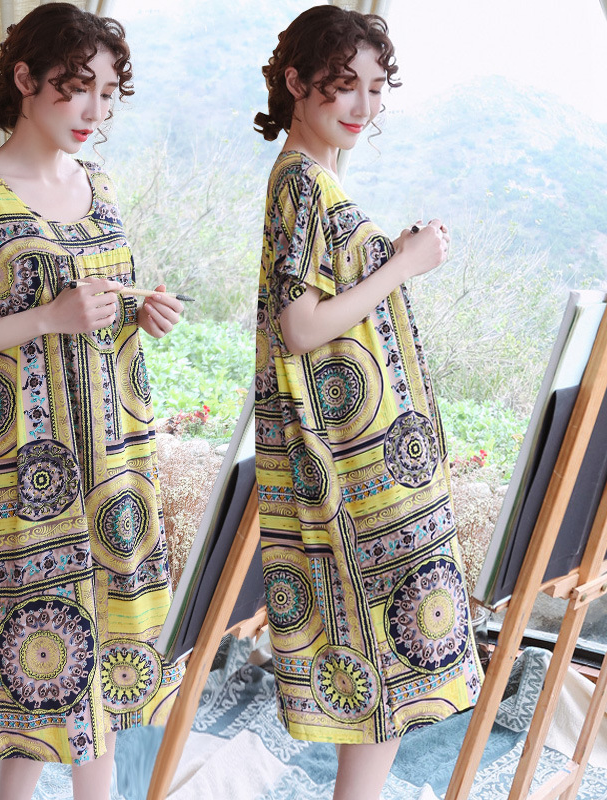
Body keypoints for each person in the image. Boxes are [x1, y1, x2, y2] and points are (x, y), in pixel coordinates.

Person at [0, 5, 185, 799]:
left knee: (105, 660)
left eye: (108, 93)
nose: (95, 110)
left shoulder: (100, 187)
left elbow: (100, 300)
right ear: (24, 79)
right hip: (19, 475)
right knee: (34, 661)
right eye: (76, 87)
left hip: (114, 456)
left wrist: (142, 311)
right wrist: (46, 320)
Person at [253, 7, 483, 800]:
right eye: (344, 84)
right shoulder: (300, 181)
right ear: (296, 82)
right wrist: (403, 264)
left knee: (383, 648)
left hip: (369, 446)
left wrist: (392, 257)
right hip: (351, 456)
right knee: (378, 640)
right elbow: (300, 326)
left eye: (376, 87)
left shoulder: (317, 181)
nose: (363, 104)